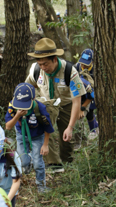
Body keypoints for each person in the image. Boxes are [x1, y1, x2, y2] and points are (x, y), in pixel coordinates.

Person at [26, 38, 86, 172]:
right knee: (46, 132)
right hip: (46, 105)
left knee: (67, 138)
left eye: (45, 64)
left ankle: (67, 162)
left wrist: (70, 127)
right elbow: (28, 87)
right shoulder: (36, 70)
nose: (43, 67)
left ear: (54, 59)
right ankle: (54, 164)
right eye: (40, 63)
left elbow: (77, 101)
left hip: (66, 105)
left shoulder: (69, 71)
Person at [5, 83, 54, 194]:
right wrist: (17, 115)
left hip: (37, 136)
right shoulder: (12, 106)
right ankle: (28, 160)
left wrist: (45, 145)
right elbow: (8, 126)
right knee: (23, 162)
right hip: (21, 135)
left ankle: (41, 185)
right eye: (19, 104)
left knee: (38, 163)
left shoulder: (39, 108)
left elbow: (48, 128)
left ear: (33, 99)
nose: (21, 107)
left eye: (25, 104)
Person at [75, 49, 98, 138]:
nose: (83, 65)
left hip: (92, 92)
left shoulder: (95, 70)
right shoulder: (77, 66)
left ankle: (93, 130)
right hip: (81, 91)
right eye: (82, 63)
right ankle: (95, 125)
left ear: (92, 61)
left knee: (90, 111)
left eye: (86, 63)